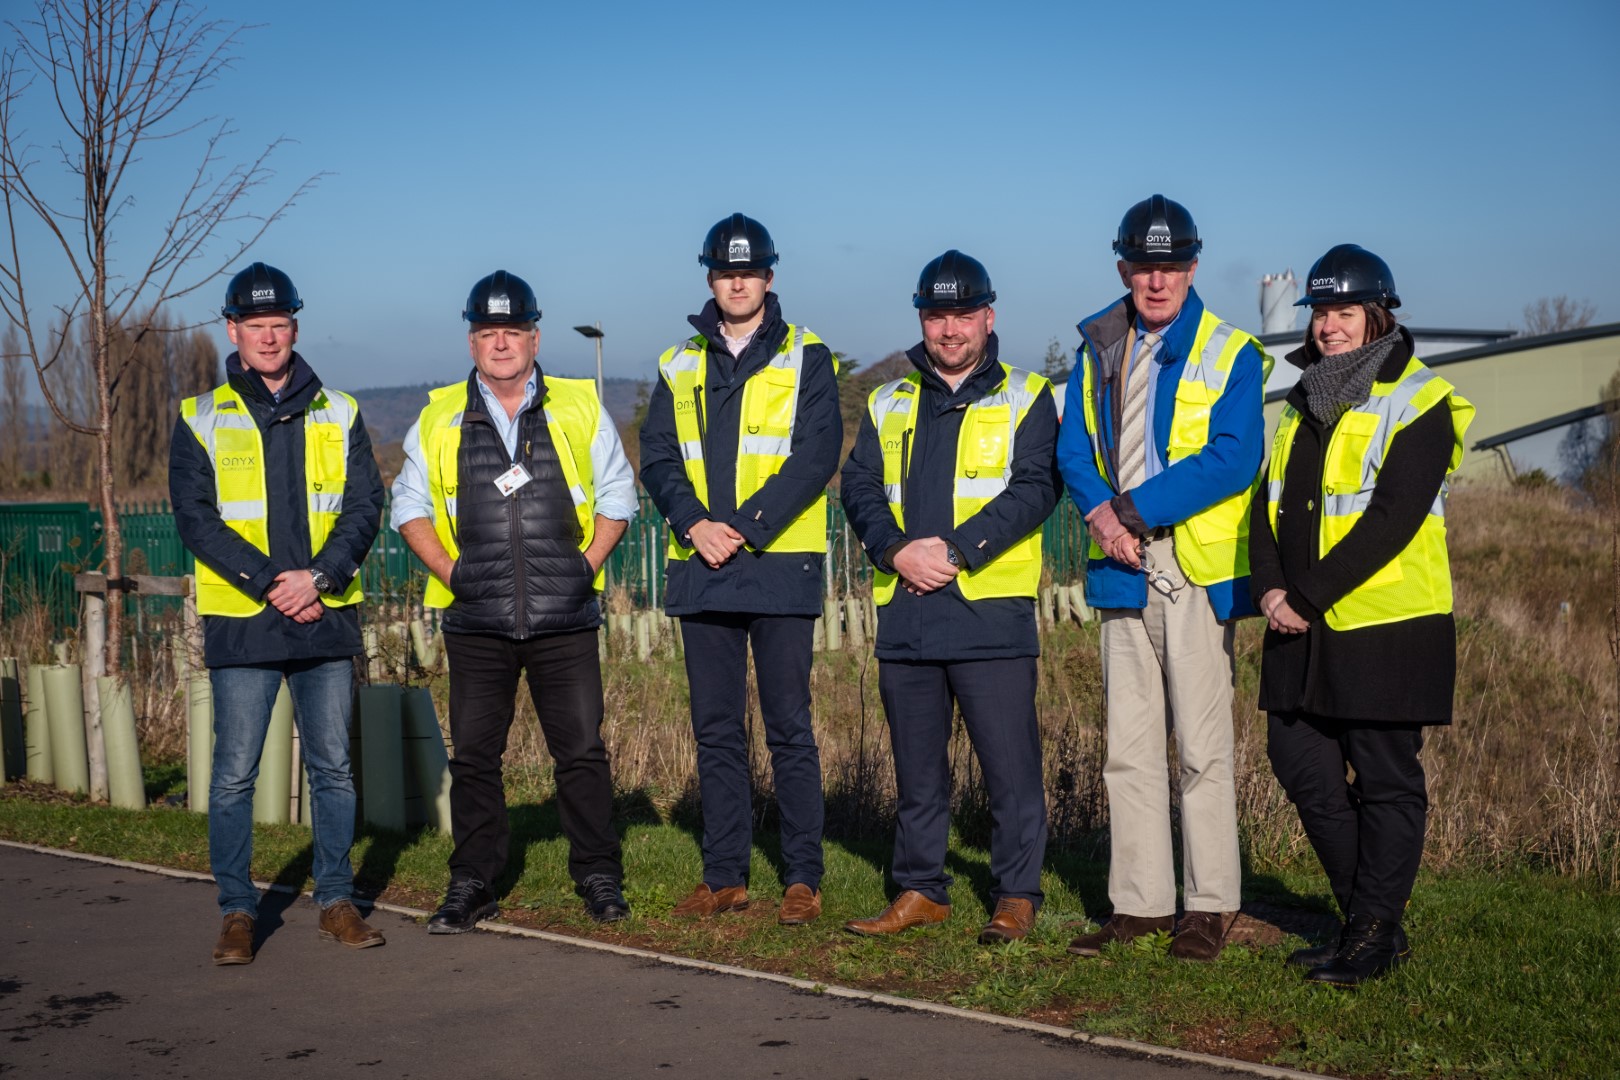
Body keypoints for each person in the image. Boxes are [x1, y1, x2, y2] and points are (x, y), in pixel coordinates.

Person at [1056, 196, 1272, 961]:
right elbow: (1074, 447)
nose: (1158, 281)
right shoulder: (1098, 347)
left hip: (1190, 563)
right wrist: (1104, 520)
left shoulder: (1231, 350)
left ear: (1192, 267)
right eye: (1145, 267)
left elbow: (1232, 457)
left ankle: (1208, 904)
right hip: (1119, 560)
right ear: (1124, 267)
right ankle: (1140, 906)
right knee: (1130, 743)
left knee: (1202, 748)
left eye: (1172, 266)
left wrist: (1133, 510)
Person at [1251, 245, 1473, 986]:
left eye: (1344, 312)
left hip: (1385, 627)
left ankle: (1371, 933)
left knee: (1387, 781)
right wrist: (1270, 590)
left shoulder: (1421, 401)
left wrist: (1305, 598)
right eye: (1319, 313)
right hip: (1296, 625)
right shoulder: (1303, 399)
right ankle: (1370, 922)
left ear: (1378, 315)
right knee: (1299, 763)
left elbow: (1392, 520)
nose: (1328, 327)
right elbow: (1267, 504)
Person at [392, 270, 636, 931]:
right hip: (476, 621)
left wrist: (582, 568)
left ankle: (599, 877)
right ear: (472, 341)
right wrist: (451, 571)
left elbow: (619, 496)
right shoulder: (439, 413)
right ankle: (473, 881)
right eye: (487, 333)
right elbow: (408, 504)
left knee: (582, 753)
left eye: (513, 332)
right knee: (473, 757)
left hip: (565, 619)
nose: (501, 344)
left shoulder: (579, 405)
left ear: (534, 336)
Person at [840, 251, 1059, 944]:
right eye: (937, 316)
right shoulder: (888, 400)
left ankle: (1017, 895)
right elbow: (860, 489)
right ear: (922, 321)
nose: (950, 329)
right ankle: (920, 888)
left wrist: (958, 551)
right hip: (907, 610)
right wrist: (894, 550)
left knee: (1010, 768)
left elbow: (1035, 489)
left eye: (964, 314)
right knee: (917, 770)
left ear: (988, 317)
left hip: (988, 612)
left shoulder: (1028, 394)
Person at [171, 262, 386, 965]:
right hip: (246, 624)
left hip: (323, 619)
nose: (268, 336)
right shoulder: (199, 416)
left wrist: (319, 578)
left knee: (334, 770)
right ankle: (237, 912)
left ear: (295, 326)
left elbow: (363, 507)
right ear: (232, 329)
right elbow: (196, 519)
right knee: (234, 774)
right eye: (255, 325)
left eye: (280, 324)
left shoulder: (342, 410)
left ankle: (336, 900)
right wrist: (272, 582)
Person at [639, 213, 842, 925]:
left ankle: (803, 878)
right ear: (710, 278)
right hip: (702, 567)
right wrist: (695, 525)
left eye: (748, 271)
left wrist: (746, 529)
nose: (737, 281)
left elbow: (816, 458)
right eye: (726, 272)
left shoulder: (809, 357)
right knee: (716, 729)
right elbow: (658, 456)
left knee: (789, 726)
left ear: (769, 277)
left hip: (778, 564)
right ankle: (724, 875)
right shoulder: (679, 361)